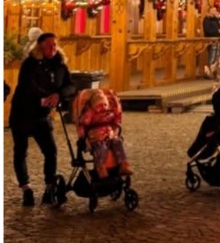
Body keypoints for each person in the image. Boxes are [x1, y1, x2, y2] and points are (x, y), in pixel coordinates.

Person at [10, 33, 70, 206]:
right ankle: (26, 188)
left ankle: (49, 187)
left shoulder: (60, 64)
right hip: (22, 113)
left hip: (42, 116)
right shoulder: (30, 63)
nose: (53, 48)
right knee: (20, 151)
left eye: (55, 45)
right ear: (40, 48)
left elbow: (70, 85)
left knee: (50, 150)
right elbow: (27, 85)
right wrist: (44, 97)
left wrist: (59, 95)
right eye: (49, 46)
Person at [72, 84, 131, 184]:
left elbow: (115, 120)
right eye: (100, 105)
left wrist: (114, 120)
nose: (103, 107)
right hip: (95, 135)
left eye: (105, 104)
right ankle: (101, 167)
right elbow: (84, 122)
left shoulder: (109, 112)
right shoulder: (90, 113)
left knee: (118, 143)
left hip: (109, 134)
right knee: (101, 148)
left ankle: (123, 164)